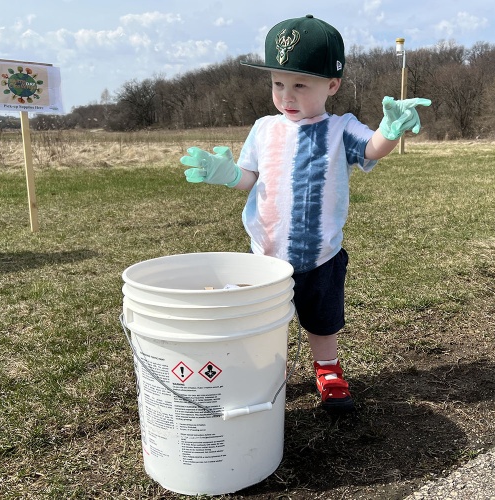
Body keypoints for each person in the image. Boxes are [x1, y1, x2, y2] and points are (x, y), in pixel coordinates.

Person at [181, 14, 430, 413]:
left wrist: (390, 130)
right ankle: (266, 373)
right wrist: (225, 173)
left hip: (320, 255)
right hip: (266, 254)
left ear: (331, 85)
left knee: (322, 320)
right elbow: (250, 178)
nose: (287, 96)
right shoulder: (264, 128)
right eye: (278, 84)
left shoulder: (340, 129)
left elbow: (371, 149)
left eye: (300, 84)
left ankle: (327, 370)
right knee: (264, 322)